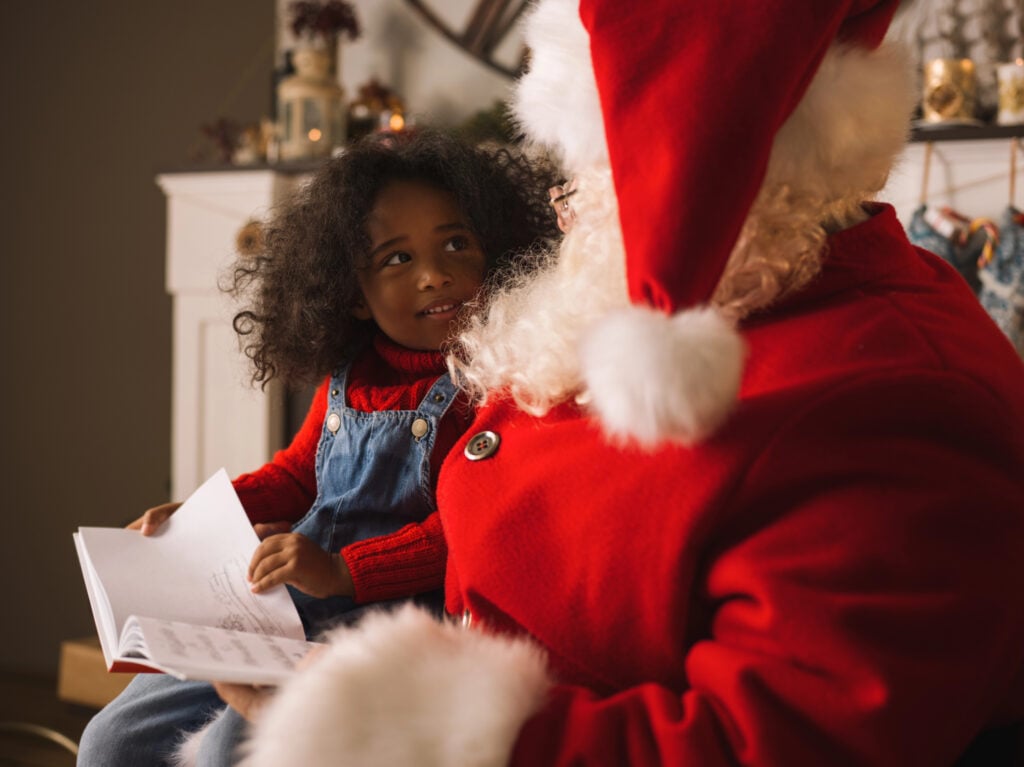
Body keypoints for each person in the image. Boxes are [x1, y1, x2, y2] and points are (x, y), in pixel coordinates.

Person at [221, 2, 1024, 766]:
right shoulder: (693, 303)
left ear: (679, 165)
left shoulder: (895, 405)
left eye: (594, 169)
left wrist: (395, 728)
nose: (568, 207)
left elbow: (761, 742)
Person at [76, 129, 559, 767]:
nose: (435, 275)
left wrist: (342, 571)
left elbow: (467, 532)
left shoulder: (500, 383)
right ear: (353, 295)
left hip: (392, 622)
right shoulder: (348, 375)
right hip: (292, 602)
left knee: (232, 745)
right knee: (112, 738)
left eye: (455, 244)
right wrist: (204, 515)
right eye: (397, 258)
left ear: (493, 249)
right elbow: (296, 475)